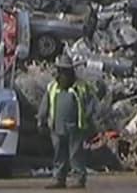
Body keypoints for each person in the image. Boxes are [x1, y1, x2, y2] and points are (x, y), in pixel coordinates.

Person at [37, 55, 96, 189]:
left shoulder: (81, 86)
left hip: (76, 127)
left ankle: (79, 179)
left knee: (75, 154)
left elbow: (92, 103)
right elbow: (44, 105)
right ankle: (59, 179)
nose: (62, 75)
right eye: (60, 71)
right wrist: (41, 119)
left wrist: (88, 117)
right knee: (59, 154)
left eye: (65, 71)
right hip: (57, 127)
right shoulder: (52, 87)